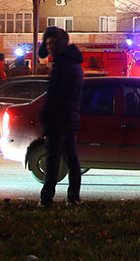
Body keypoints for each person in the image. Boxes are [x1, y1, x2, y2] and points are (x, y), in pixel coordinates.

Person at [37, 26, 84, 207]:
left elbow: (56, 96)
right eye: (47, 43)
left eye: (53, 43)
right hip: (68, 118)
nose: (50, 46)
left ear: (61, 44)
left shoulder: (63, 66)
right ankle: (73, 197)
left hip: (59, 119)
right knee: (71, 158)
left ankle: (46, 198)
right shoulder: (70, 62)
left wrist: (47, 119)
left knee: (53, 159)